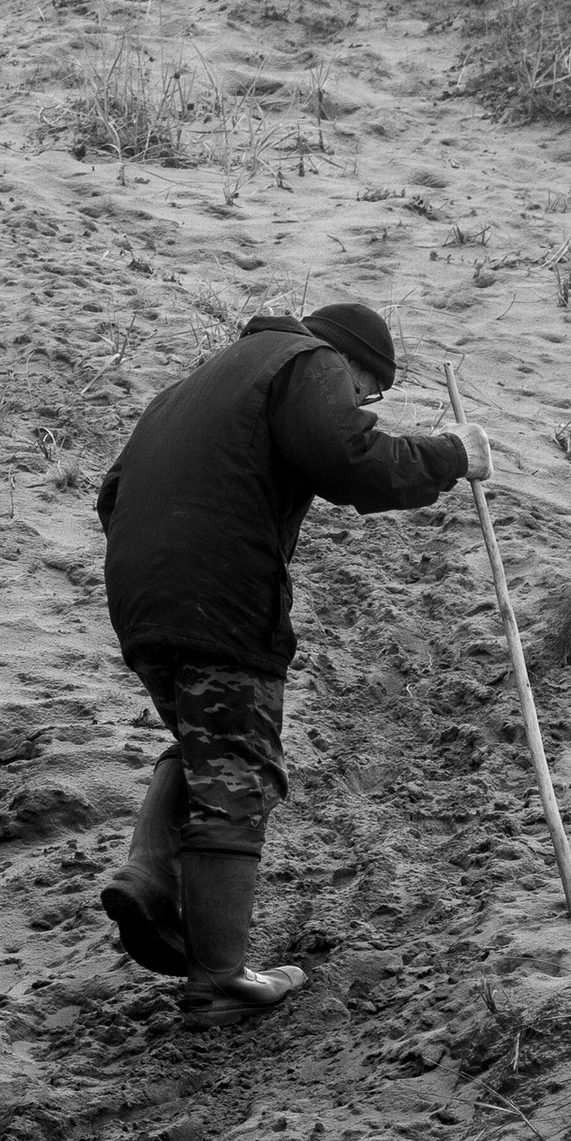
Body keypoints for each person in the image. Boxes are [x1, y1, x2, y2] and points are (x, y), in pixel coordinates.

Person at [95, 301, 490, 1016]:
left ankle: (151, 877)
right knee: (240, 776)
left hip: (141, 595)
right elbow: (349, 457)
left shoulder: (193, 386)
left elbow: (114, 492)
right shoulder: (310, 361)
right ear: (353, 361)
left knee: (209, 741)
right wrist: (452, 455)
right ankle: (219, 979)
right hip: (220, 593)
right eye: (370, 392)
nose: (364, 403)